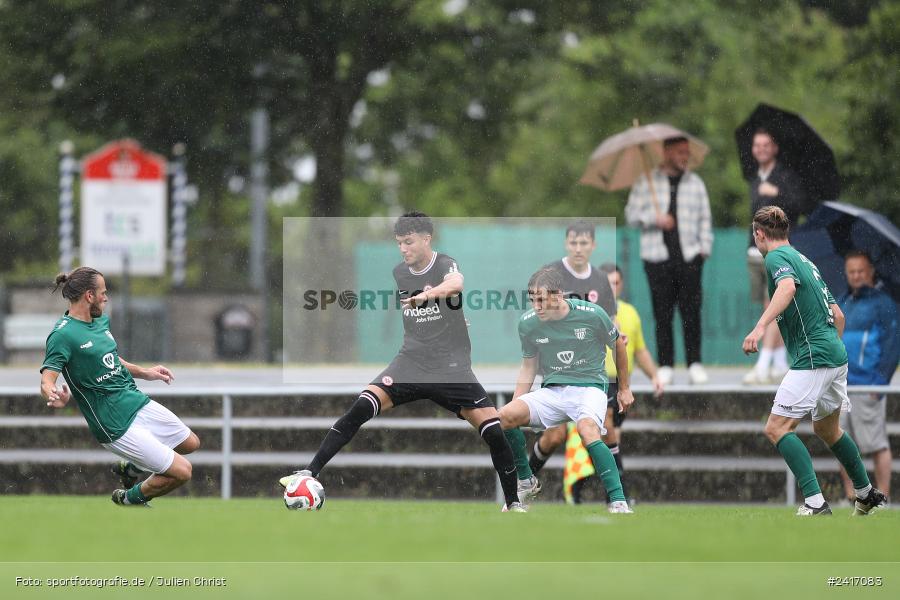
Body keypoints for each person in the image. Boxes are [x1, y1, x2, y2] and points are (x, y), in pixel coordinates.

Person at [278, 212, 524, 511]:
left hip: (450, 367)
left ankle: (513, 504)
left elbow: (456, 284)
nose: (403, 249)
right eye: (399, 243)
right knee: (361, 407)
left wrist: (427, 298)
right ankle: (310, 471)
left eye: (409, 242)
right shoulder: (400, 272)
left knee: (494, 431)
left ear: (426, 239)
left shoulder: (444, 263)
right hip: (411, 362)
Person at [742, 206, 886, 516]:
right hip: (835, 355)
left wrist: (760, 326)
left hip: (814, 356)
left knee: (777, 428)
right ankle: (865, 493)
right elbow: (838, 315)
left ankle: (815, 502)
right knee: (828, 429)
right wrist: (831, 350)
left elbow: (786, 287)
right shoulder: (805, 260)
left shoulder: (776, 258)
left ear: (759, 234)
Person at [39, 267, 200, 507]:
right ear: (89, 296)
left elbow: (110, 359)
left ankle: (130, 468)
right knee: (183, 471)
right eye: (103, 293)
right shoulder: (63, 335)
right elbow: (47, 379)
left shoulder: (100, 321)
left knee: (191, 443)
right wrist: (53, 394)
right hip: (113, 423)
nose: (106, 297)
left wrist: (145, 373)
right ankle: (128, 499)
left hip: (133, 400)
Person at [498, 267, 635, 514]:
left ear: (559, 295)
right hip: (553, 391)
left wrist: (624, 388)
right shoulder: (528, 324)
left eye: (541, 300)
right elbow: (528, 367)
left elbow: (618, 346)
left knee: (587, 430)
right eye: (532, 300)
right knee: (504, 417)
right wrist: (516, 404)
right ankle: (527, 482)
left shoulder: (593, 314)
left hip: (590, 387)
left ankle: (618, 501)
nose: (536, 306)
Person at [527, 221, 617, 477]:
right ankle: (528, 481)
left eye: (584, 243)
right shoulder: (552, 273)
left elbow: (610, 320)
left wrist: (617, 335)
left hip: (590, 371)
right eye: (573, 243)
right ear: (566, 243)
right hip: (557, 367)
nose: (578, 248)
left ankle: (619, 492)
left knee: (605, 427)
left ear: (593, 245)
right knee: (554, 436)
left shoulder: (600, 279)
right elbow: (538, 314)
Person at [625, 136, 713, 385]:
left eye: (687, 152)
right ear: (666, 152)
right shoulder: (646, 182)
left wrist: (704, 249)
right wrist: (655, 219)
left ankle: (694, 363)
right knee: (662, 313)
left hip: (689, 257)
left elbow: (705, 218)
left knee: (691, 311)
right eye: (680, 152)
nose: (685, 157)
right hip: (656, 258)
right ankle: (666, 365)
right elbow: (631, 215)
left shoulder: (695, 183)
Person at [743, 129, 807, 384]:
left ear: (775, 148)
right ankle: (780, 362)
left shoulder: (786, 177)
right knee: (768, 306)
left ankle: (764, 362)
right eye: (757, 145)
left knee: (774, 304)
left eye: (766, 144)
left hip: (776, 251)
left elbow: (798, 207)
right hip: (755, 250)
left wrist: (776, 194)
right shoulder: (753, 178)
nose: (761, 149)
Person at [837, 250, 899, 503]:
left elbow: (893, 345)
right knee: (842, 444)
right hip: (841, 386)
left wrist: (880, 382)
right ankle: (852, 497)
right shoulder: (842, 301)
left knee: (876, 444)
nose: (856, 276)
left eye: (860, 271)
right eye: (851, 271)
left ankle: (882, 497)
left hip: (868, 386)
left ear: (871, 272)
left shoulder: (884, 304)